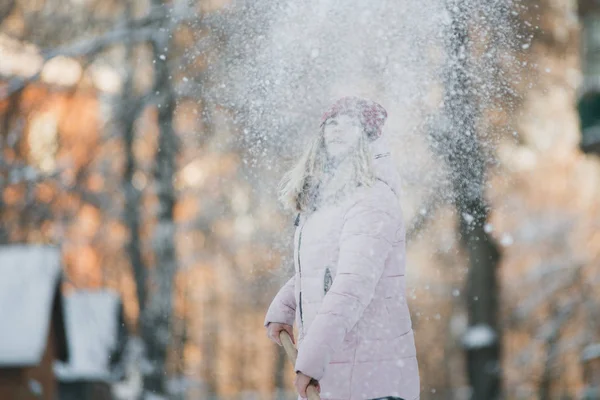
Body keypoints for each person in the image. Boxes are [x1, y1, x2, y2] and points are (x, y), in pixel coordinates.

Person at [264, 97, 420, 400]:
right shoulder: (330, 201)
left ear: (369, 137)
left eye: (351, 124)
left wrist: (311, 360)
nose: (338, 130)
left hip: (373, 382)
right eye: (332, 123)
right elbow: (324, 269)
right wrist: (285, 307)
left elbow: (352, 284)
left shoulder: (372, 199)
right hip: (337, 375)